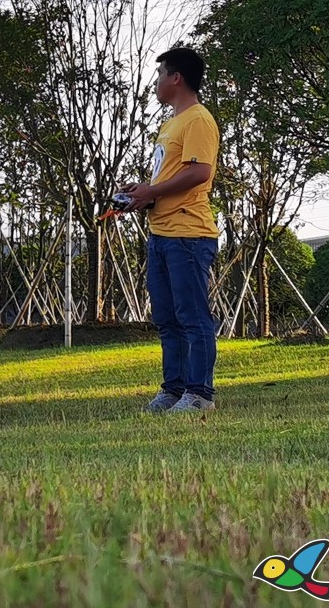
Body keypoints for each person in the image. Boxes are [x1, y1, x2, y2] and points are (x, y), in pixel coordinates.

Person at [120, 47, 220, 413]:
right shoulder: (170, 124)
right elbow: (171, 176)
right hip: (161, 232)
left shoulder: (198, 120)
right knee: (166, 318)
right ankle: (174, 389)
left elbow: (200, 172)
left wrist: (153, 191)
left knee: (193, 317)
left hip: (188, 234)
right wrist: (144, 194)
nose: (157, 81)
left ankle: (200, 394)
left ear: (176, 78)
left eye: (161, 73)